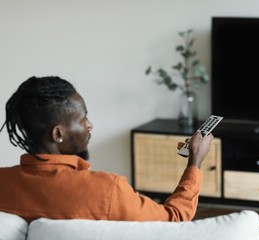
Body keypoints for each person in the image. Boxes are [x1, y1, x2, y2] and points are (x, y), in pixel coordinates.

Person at [0, 76, 214, 223]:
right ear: (58, 134)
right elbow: (173, 218)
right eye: (83, 118)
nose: (89, 125)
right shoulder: (106, 190)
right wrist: (195, 162)